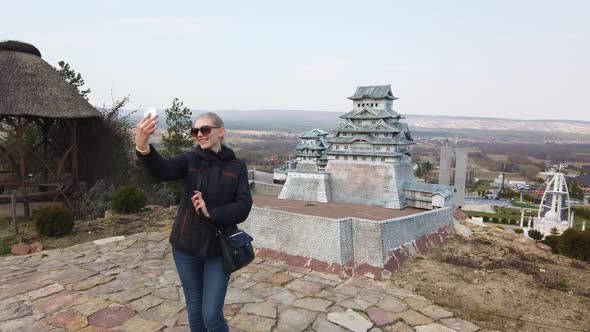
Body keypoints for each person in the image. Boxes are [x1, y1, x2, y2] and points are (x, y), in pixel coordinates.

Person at [135, 112, 253, 332]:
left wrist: (211, 212)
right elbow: (163, 170)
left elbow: (243, 206)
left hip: (219, 249)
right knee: (195, 310)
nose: (199, 135)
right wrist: (144, 148)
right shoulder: (189, 160)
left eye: (205, 129)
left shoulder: (237, 167)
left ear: (221, 131)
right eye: (195, 131)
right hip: (185, 247)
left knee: (212, 315)